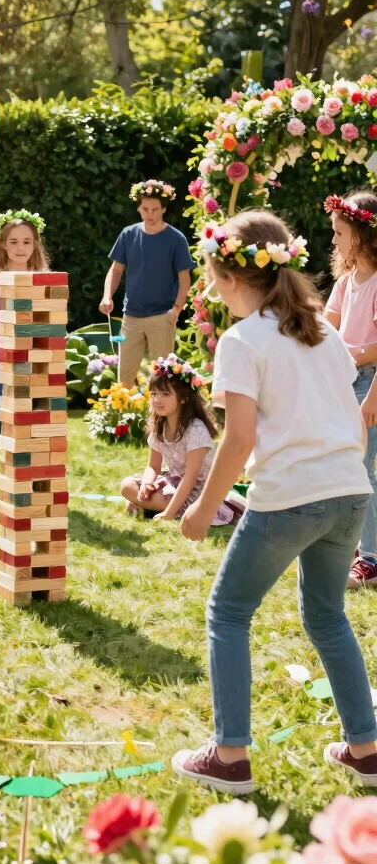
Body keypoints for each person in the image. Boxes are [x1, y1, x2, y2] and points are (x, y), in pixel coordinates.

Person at [173, 210, 377, 794]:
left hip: (292, 497)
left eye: (213, 279)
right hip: (349, 493)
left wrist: (197, 508)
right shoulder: (323, 330)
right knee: (327, 615)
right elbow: (354, 423)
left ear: (236, 278)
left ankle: (229, 756)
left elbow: (237, 440)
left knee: (229, 611)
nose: (213, 291)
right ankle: (365, 749)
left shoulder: (242, 341)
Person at [0, 209, 50, 500]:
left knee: (29, 422)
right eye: (13, 241)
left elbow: (48, 324)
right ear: (3, 244)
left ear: (35, 245)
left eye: (26, 242)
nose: (20, 247)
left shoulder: (44, 280)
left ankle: (25, 479)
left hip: (30, 365)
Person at [324, 191, 377, 589]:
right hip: (345, 381)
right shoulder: (346, 282)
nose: (334, 241)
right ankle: (358, 547)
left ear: (361, 233)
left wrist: (372, 394)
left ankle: (371, 560)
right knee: (347, 466)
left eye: (339, 232)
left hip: (371, 382)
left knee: (361, 469)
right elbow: (327, 328)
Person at [120, 354, 236, 525]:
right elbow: (153, 466)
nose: (157, 400)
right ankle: (147, 503)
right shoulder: (159, 425)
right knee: (127, 485)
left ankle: (154, 507)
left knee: (166, 499)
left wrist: (168, 513)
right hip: (173, 483)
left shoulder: (195, 430)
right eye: (154, 394)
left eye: (165, 394)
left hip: (198, 491)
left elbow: (190, 478)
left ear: (183, 398)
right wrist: (146, 483)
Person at [99, 180, 194, 388]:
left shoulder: (176, 239)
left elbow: (184, 279)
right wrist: (107, 296)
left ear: (164, 209)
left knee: (163, 379)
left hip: (162, 316)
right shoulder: (128, 234)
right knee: (124, 379)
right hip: (130, 316)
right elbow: (115, 270)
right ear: (139, 208)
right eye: (145, 209)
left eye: (155, 209)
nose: (149, 214)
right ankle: (125, 419)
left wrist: (176, 310)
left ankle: (160, 419)